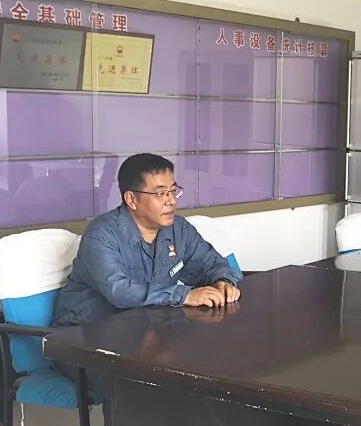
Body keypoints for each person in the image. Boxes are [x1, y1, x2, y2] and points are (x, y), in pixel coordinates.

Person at [52, 153, 243, 398]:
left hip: (145, 333)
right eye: (161, 193)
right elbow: (119, 291)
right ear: (132, 199)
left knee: (208, 364)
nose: (171, 201)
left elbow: (211, 263)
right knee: (130, 385)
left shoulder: (179, 229)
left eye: (173, 191)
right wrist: (185, 295)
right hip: (84, 338)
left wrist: (223, 281)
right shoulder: (102, 235)